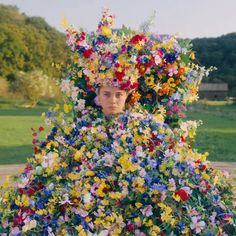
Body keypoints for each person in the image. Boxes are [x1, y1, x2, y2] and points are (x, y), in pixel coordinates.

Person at [0, 10, 235, 236]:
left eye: (119, 94)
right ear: (97, 96)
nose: (113, 100)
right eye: (107, 94)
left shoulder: (148, 126)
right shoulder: (81, 129)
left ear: (127, 97)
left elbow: (173, 158)